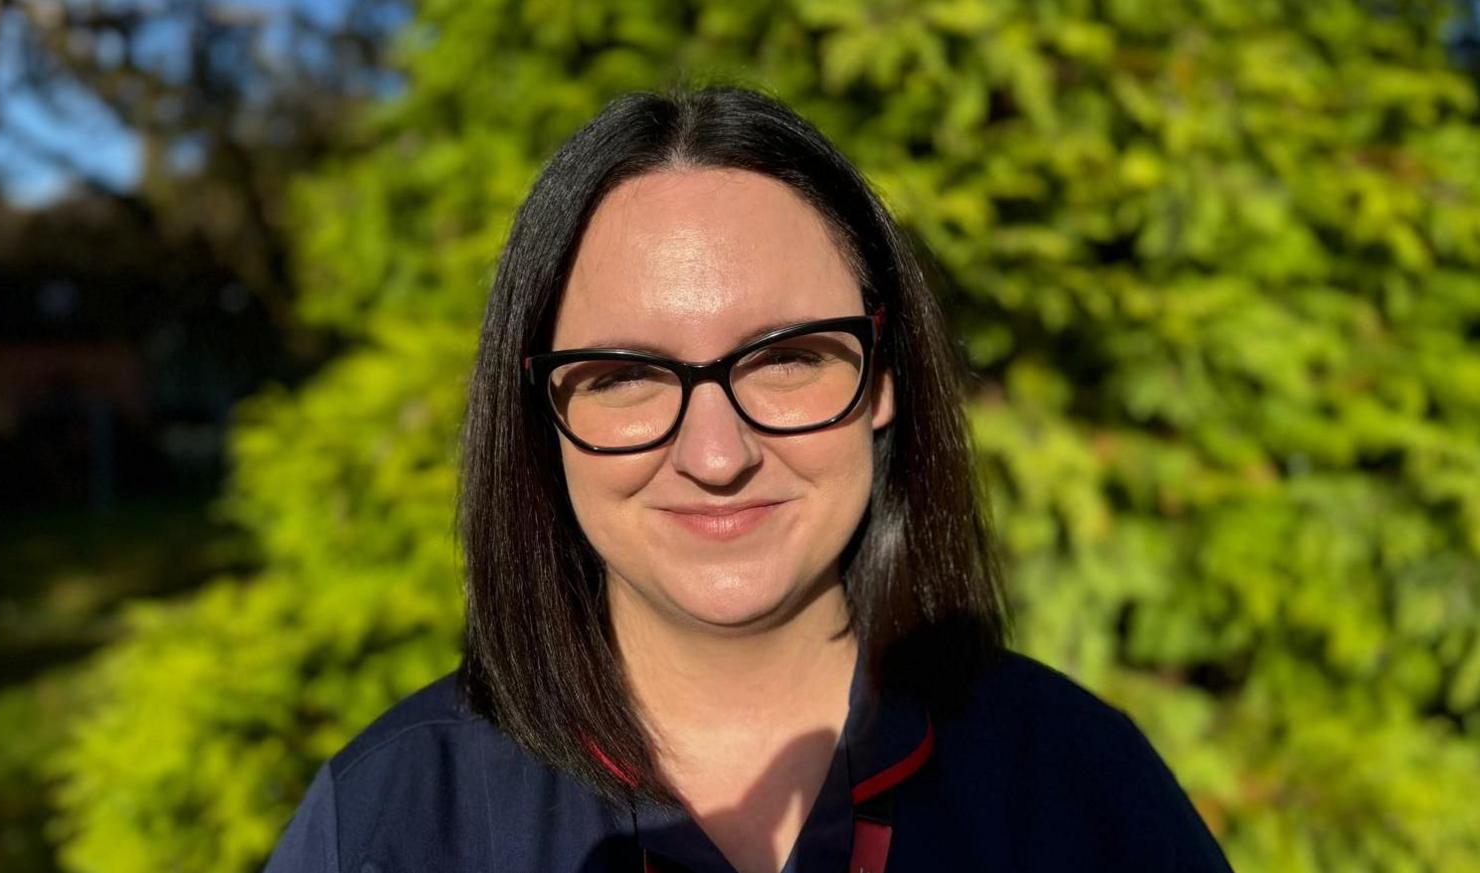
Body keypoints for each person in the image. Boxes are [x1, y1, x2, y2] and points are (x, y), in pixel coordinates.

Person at [262, 86, 1234, 873]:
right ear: (539, 416)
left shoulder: (1073, 785)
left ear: (884, 378)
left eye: (785, 359)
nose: (717, 457)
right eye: (625, 377)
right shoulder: (390, 821)